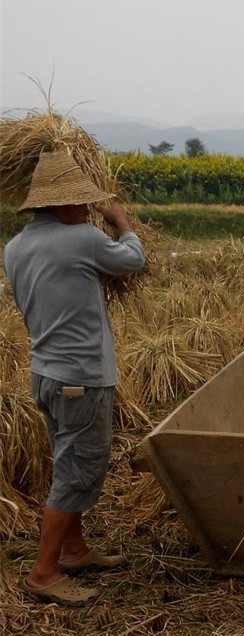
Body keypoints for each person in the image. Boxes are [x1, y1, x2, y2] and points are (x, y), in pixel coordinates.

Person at [2, 150, 145, 607]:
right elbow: (131, 261)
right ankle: (44, 573)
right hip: (79, 377)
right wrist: (122, 223)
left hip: (44, 373)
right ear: (63, 205)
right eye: (82, 203)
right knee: (78, 470)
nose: (87, 211)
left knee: (68, 460)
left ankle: (74, 550)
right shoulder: (82, 238)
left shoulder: (15, 247)